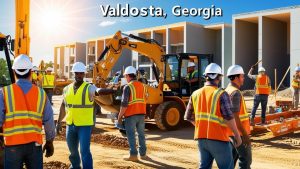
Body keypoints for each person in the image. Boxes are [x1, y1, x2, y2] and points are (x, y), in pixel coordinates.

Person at [0, 54, 55, 169]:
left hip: (12, 146)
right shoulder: (41, 94)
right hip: (34, 146)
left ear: (14, 71)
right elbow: (49, 121)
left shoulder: (4, 92)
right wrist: (49, 141)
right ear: (31, 71)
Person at [184, 63, 242, 169]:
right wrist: (237, 136)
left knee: (204, 167)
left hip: (201, 139)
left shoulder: (195, 93)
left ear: (205, 76)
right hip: (218, 138)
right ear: (219, 77)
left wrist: (202, 127)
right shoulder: (221, 94)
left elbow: (188, 116)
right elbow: (229, 117)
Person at [56, 62, 113, 169]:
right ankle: (75, 166)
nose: (79, 75)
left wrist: (110, 90)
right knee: (72, 151)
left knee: (84, 151)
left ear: (84, 74)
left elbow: (97, 91)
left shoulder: (89, 88)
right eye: (77, 73)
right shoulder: (66, 89)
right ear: (73, 73)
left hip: (84, 126)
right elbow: (63, 106)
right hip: (70, 125)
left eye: (81, 73)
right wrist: (59, 122)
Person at [117, 66, 147, 161]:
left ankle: (133, 155)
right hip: (141, 114)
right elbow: (146, 98)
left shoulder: (127, 87)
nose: (125, 78)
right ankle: (143, 154)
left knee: (131, 135)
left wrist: (120, 116)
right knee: (141, 135)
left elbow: (124, 104)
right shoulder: (143, 86)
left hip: (131, 115)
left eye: (125, 76)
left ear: (127, 76)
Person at [226, 65, 252, 169]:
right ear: (236, 78)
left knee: (232, 159)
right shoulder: (235, 93)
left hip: (231, 132)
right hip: (239, 134)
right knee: (245, 160)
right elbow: (235, 116)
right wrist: (245, 135)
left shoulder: (227, 90)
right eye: (242, 76)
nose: (243, 78)